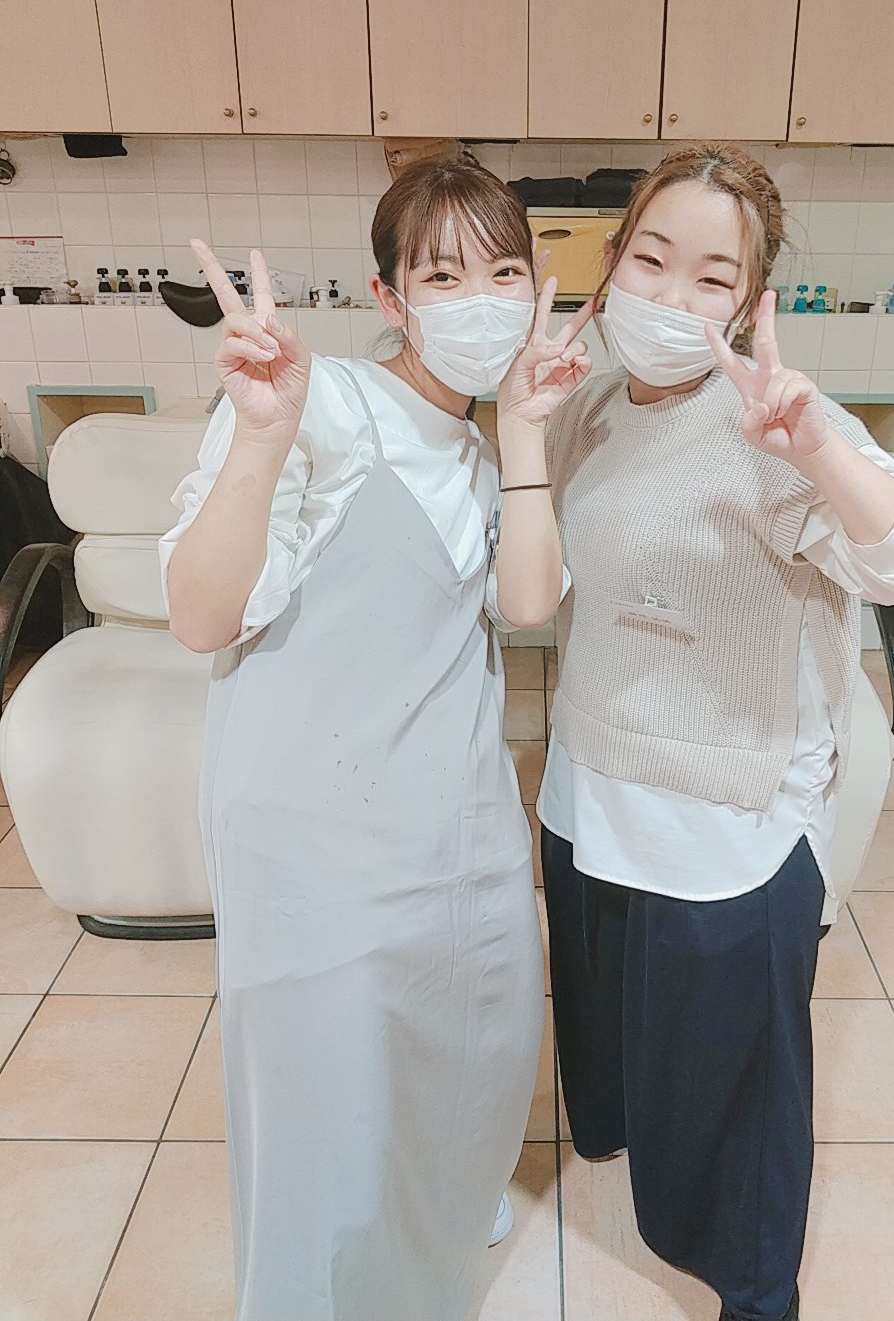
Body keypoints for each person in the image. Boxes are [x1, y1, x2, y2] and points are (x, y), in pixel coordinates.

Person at [536, 144, 894, 1321]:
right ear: (613, 261)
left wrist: (817, 445)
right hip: (589, 791)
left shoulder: (773, 425)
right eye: (651, 259)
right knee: (629, 1051)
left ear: (750, 301)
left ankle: (755, 1292)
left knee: (735, 1096)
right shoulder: (589, 409)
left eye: (712, 277)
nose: (671, 295)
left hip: (722, 820)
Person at [159, 158, 591, 1321]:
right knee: (329, 1114)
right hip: (319, 835)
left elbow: (528, 605)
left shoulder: (482, 444)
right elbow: (199, 614)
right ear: (389, 297)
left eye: (505, 273)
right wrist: (261, 436)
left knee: (476, 1055)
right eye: (442, 276)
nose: (481, 301)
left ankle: (433, 1237)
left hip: (456, 819)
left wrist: (526, 433)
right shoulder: (325, 405)